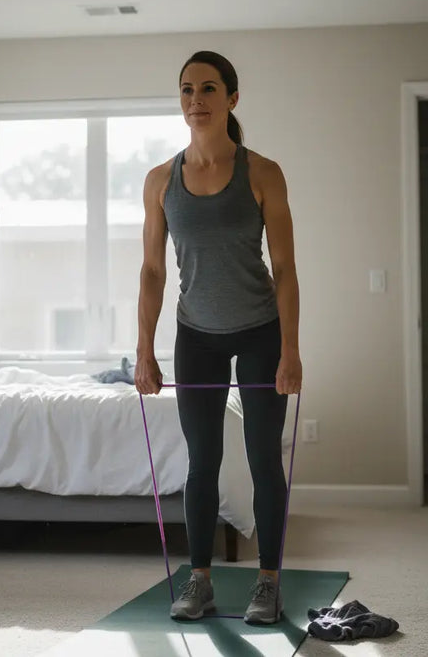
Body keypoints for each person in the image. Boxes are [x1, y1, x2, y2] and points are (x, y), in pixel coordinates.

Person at [134, 50, 302, 625]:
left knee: (261, 460)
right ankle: (199, 580)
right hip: (195, 334)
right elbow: (153, 271)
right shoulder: (161, 180)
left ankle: (268, 582)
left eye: (208, 89)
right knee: (201, 461)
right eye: (186, 90)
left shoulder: (263, 173)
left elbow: (285, 269)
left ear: (232, 98)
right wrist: (143, 351)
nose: (195, 100)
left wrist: (291, 349)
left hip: (260, 331)